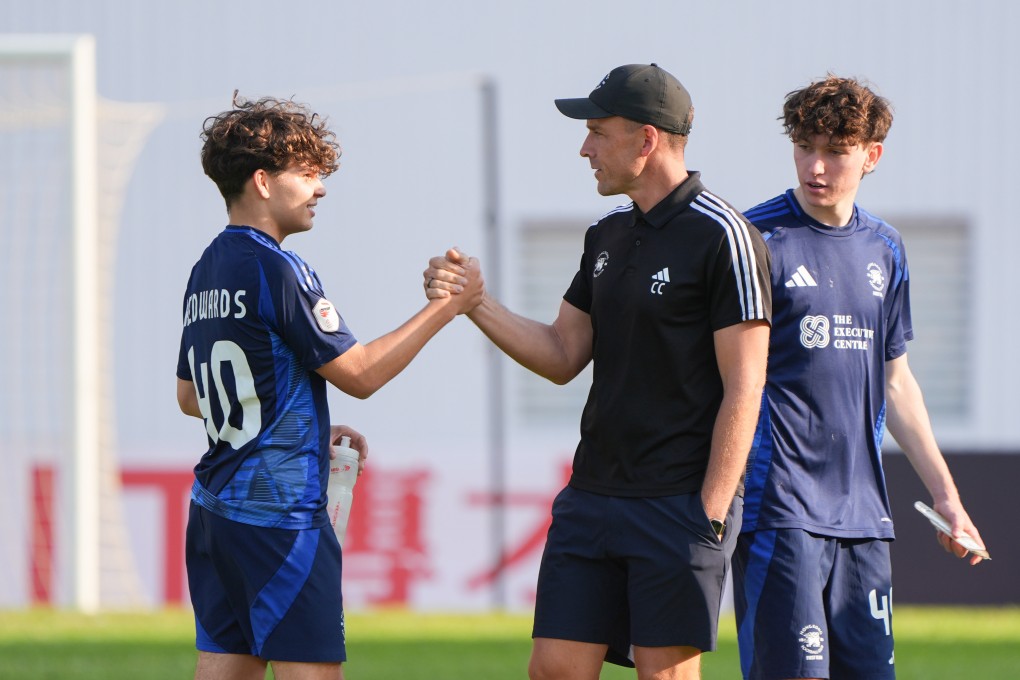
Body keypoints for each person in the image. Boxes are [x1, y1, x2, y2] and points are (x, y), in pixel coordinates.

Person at [425, 63, 772, 680]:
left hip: (679, 501)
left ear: (647, 139)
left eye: (598, 132)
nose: (584, 148)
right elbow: (562, 353)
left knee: (664, 675)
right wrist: (475, 304)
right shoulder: (605, 235)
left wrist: (712, 512)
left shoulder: (726, 237)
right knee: (553, 667)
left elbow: (746, 385)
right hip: (592, 494)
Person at [176, 93, 481, 680]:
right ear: (263, 181)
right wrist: (448, 307)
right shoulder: (278, 267)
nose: (320, 189)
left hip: (214, 510)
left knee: (222, 668)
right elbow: (361, 374)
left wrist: (302, 417)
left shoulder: (206, 268)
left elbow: (192, 397)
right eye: (308, 174)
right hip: (279, 516)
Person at [734, 75, 987, 680]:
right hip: (780, 511)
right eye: (805, 146)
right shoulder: (754, 240)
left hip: (865, 521)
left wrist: (949, 500)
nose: (815, 166)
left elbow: (896, 382)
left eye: (836, 151)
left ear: (871, 155)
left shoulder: (886, 249)